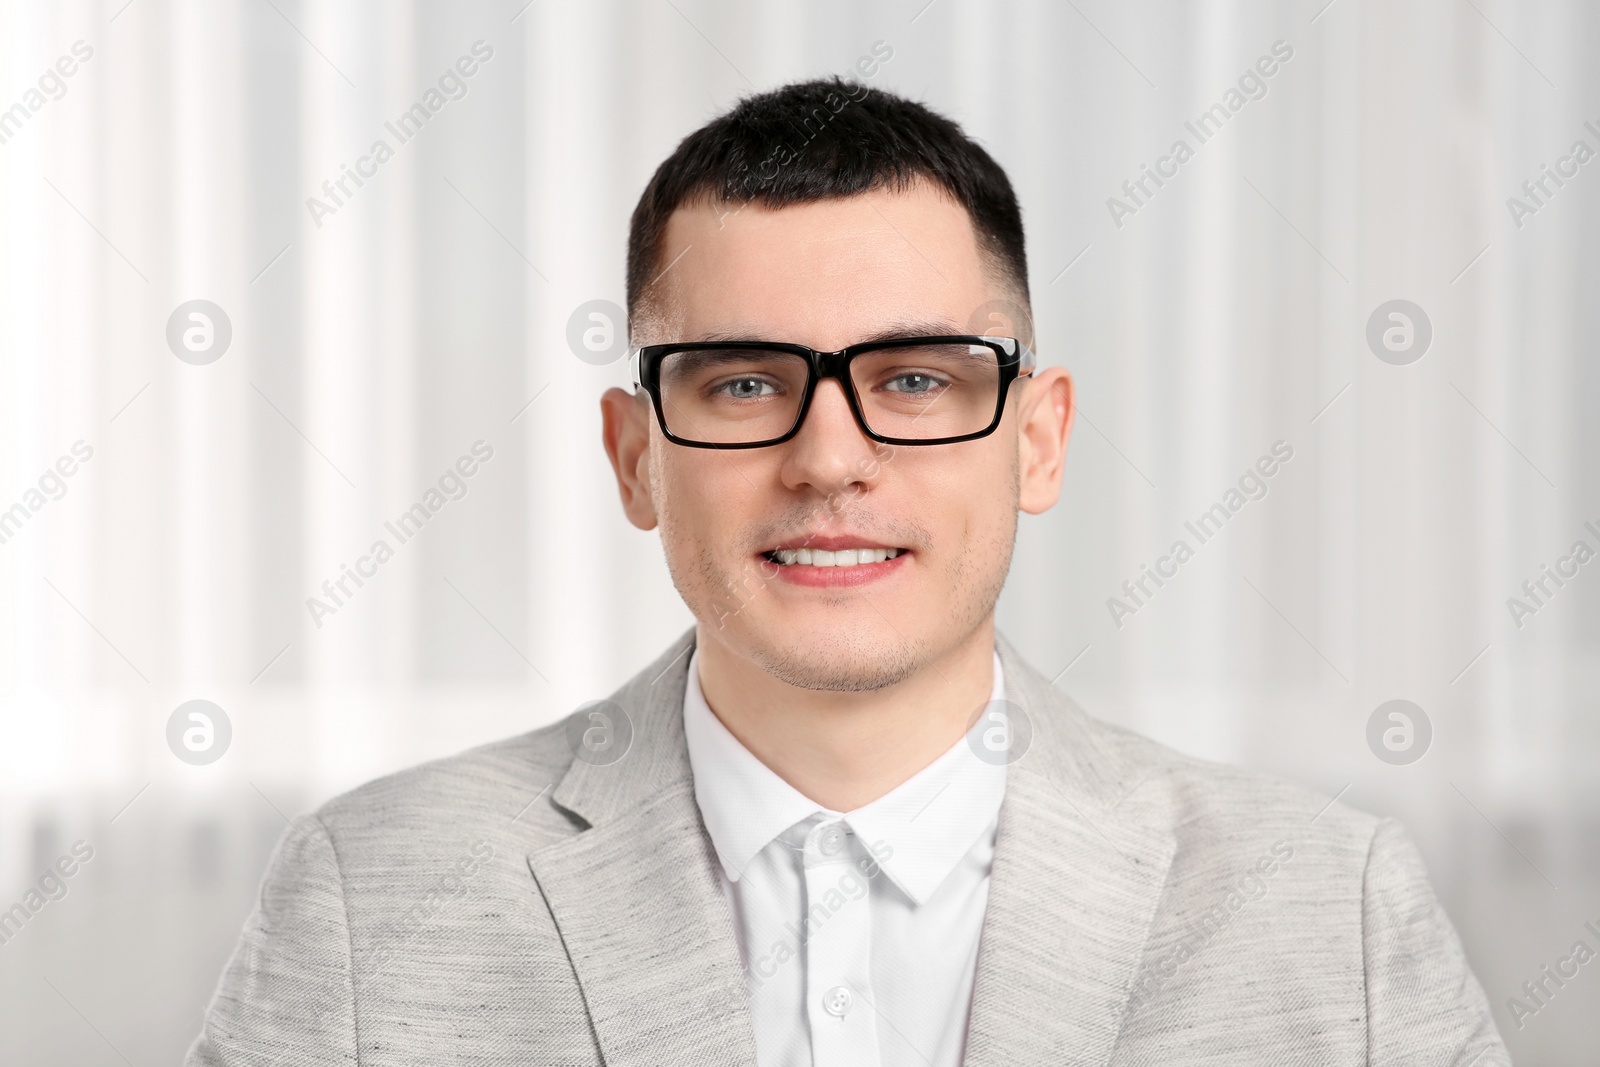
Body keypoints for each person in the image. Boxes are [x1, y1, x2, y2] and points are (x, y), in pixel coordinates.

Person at [187, 77, 1508, 1066]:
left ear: (1037, 441)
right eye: (748, 381)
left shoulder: (1331, 914)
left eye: (917, 379)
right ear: (635, 457)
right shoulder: (373, 897)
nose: (831, 459)